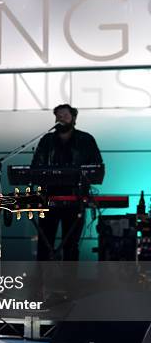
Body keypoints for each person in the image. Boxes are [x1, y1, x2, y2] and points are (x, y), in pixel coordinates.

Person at [31, 104, 103, 261]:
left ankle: (69, 283)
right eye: (58, 116)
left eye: (64, 115)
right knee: (44, 243)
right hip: (48, 199)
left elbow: (96, 168)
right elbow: (36, 167)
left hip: (75, 198)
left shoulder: (86, 139)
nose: (61, 118)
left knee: (71, 245)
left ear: (74, 118)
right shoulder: (47, 140)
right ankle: (41, 282)